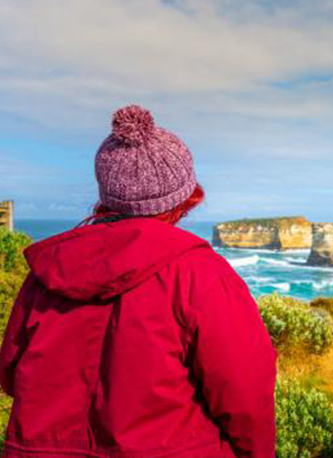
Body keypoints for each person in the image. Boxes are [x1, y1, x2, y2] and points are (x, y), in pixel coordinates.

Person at [0, 105, 277, 457]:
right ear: (184, 197)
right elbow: (246, 394)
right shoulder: (201, 274)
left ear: (107, 191)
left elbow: (10, 375)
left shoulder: (47, 272)